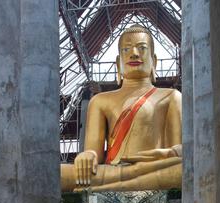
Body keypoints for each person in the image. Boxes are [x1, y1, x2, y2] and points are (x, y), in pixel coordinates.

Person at [61, 24, 182, 193]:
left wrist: (169, 154)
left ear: (154, 60)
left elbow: (179, 150)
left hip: (155, 167)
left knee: (182, 170)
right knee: (60, 174)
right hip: (114, 170)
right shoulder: (100, 101)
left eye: (142, 48)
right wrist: (87, 156)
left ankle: (110, 187)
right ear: (118, 62)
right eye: (126, 49)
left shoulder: (171, 96)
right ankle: (126, 182)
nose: (134, 53)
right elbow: (94, 152)